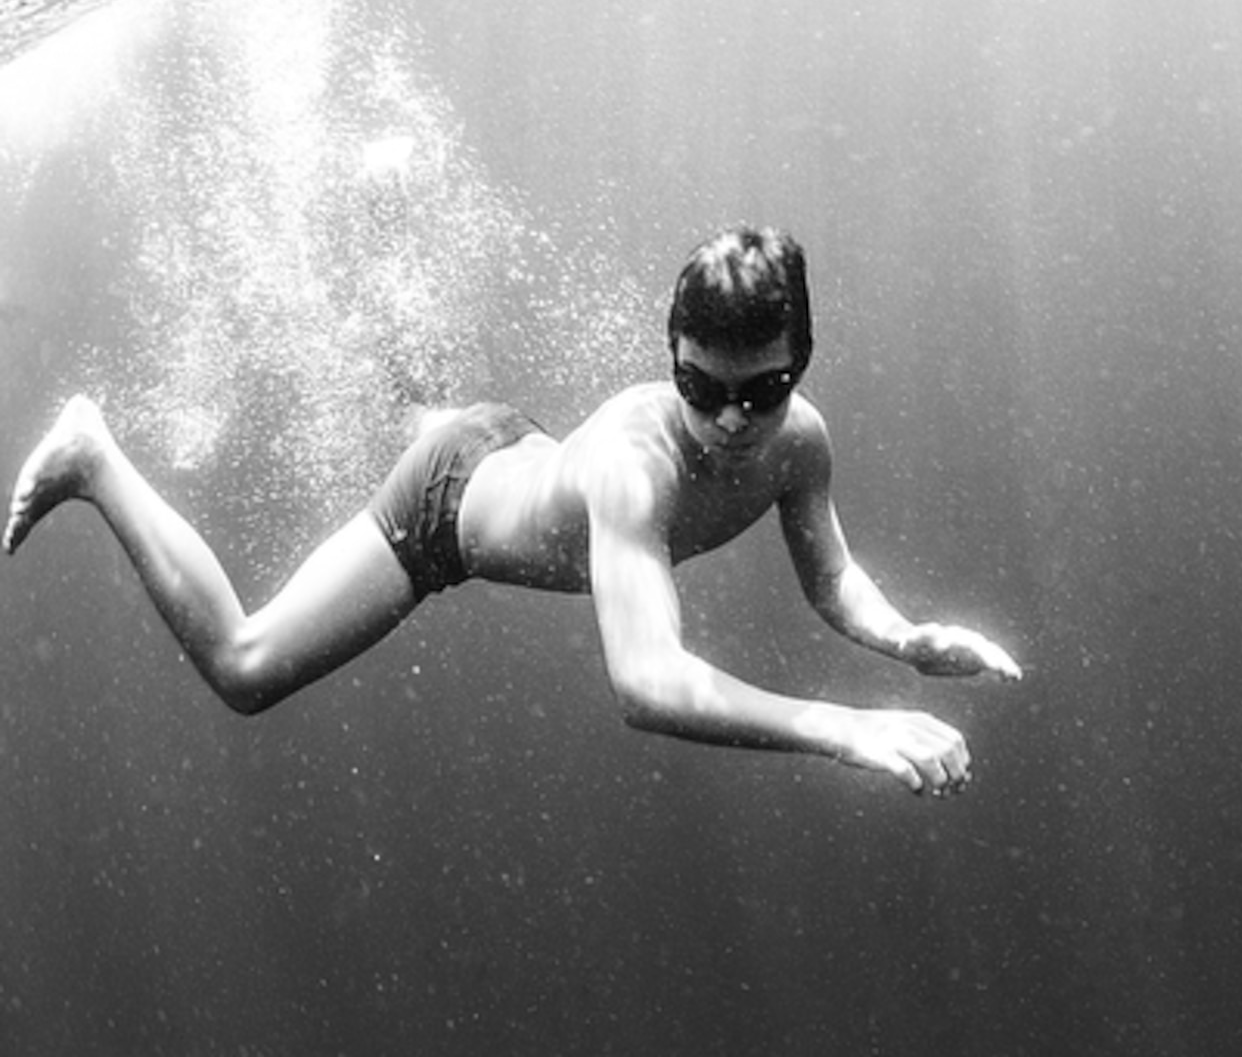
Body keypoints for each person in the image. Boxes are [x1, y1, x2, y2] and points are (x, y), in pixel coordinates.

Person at [5, 225, 1019, 793]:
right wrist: (842, 726)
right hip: (448, 511)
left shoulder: (802, 440)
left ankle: (385, 238)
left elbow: (834, 576)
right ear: (671, 358)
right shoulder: (634, 470)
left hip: (514, 448)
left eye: (761, 389)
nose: (729, 421)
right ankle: (95, 456)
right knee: (245, 666)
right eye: (700, 387)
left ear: (800, 365)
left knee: (435, 415)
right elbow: (648, 682)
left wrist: (907, 641)